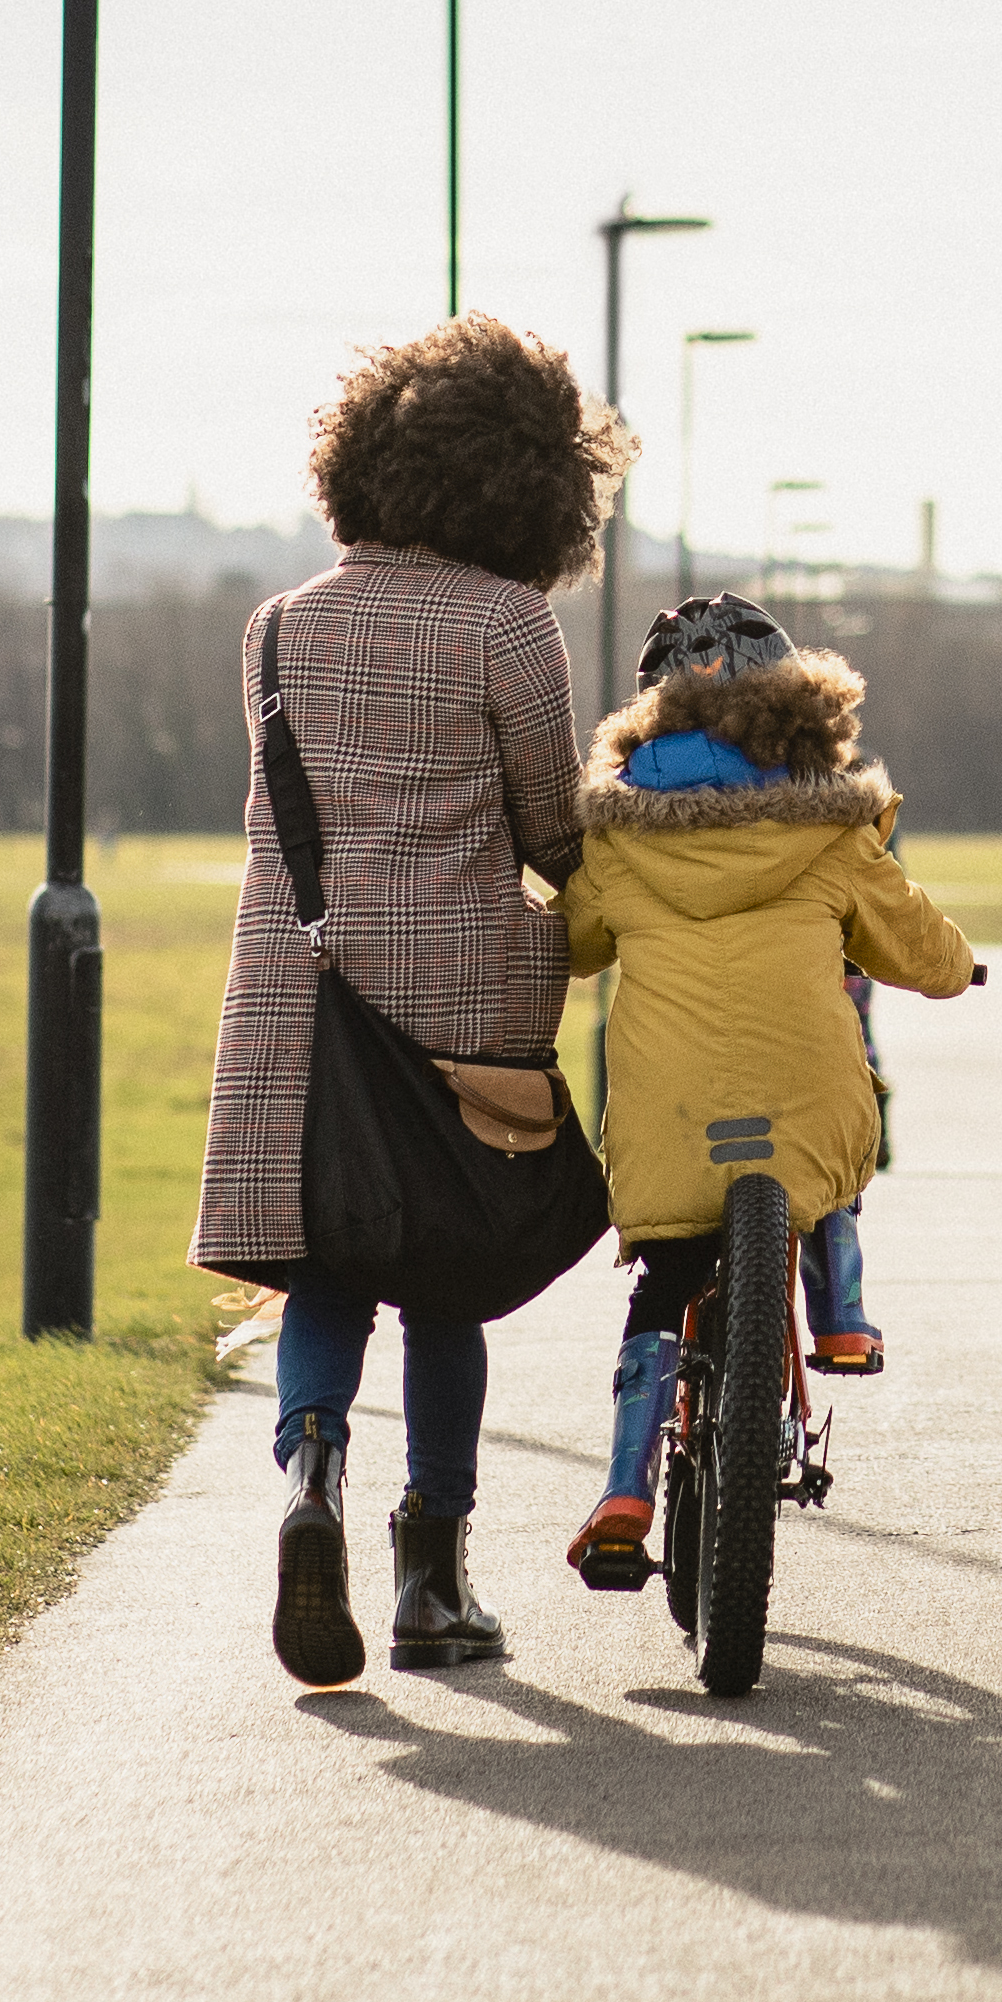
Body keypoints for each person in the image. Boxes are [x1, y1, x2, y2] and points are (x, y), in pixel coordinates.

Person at [199, 315, 626, 1687]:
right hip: (459, 1000)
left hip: (299, 1003)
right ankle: (431, 1573)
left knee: (330, 1262)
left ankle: (309, 1476)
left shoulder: (279, 628)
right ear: (531, 485)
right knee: (450, 1278)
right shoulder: (511, 625)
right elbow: (555, 832)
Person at [557, 598, 976, 1589]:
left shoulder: (617, 838)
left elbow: (572, 942)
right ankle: (842, 1310)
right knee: (827, 1151)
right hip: (801, 1088)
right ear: (795, 705)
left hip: (667, 1108)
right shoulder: (829, 823)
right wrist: (963, 969)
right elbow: (913, 940)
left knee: (664, 1276)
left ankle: (626, 1479)